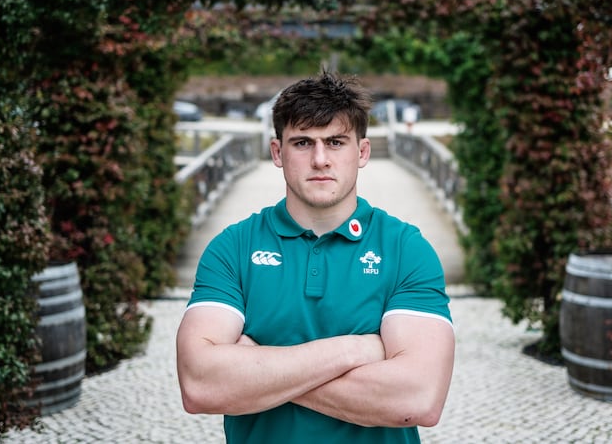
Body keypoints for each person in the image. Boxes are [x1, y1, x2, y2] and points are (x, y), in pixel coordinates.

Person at [176, 72, 455, 443]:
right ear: (278, 152)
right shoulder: (233, 248)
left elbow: (417, 399)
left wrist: (257, 370)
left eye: (336, 142)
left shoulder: (406, 249)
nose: (320, 159)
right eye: (303, 142)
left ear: (363, 152)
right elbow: (199, 385)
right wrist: (356, 349)